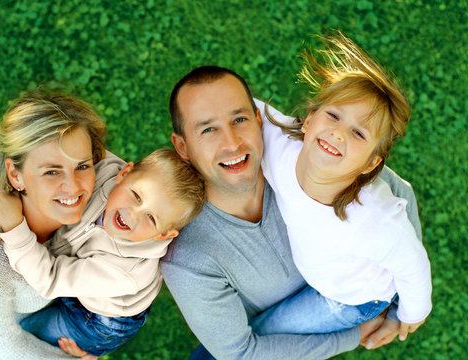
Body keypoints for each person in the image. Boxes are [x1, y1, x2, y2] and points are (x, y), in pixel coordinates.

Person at [162, 64, 423, 359]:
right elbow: (242, 354)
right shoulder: (189, 258)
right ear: (182, 147)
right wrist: (353, 336)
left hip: (345, 293)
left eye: (240, 119)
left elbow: (400, 193)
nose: (232, 142)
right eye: (208, 129)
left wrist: (401, 304)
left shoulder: (306, 162)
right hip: (273, 340)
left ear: (259, 120)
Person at [249, 33, 431, 339]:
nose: (338, 133)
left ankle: (371, 319)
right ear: (308, 121)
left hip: (352, 296)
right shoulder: (279, 148)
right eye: (333, 115)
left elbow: (413, 266)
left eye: (358, 133)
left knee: (266, 332)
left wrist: (410, 314)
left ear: (371, 164)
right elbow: (240, 110)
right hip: (322, 266)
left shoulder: (374, 220)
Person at [0, 147, 205, 358]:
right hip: (87, 276)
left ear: (163, 235)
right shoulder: (103, 169)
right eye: (137, 196)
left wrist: (13, 225)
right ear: (124, 173)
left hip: (100, 320)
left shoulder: (125, 271)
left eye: (151, 218)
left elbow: (49, 278)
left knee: (29, 329)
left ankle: (84, 353)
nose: (133, 214)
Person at [0, 92, 124, 359]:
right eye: (51, 171)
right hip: (26, 320)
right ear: (15, 174)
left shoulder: (101, 180)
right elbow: (1, 347)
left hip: (73, 300)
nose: (74, 187)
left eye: (82, 166)